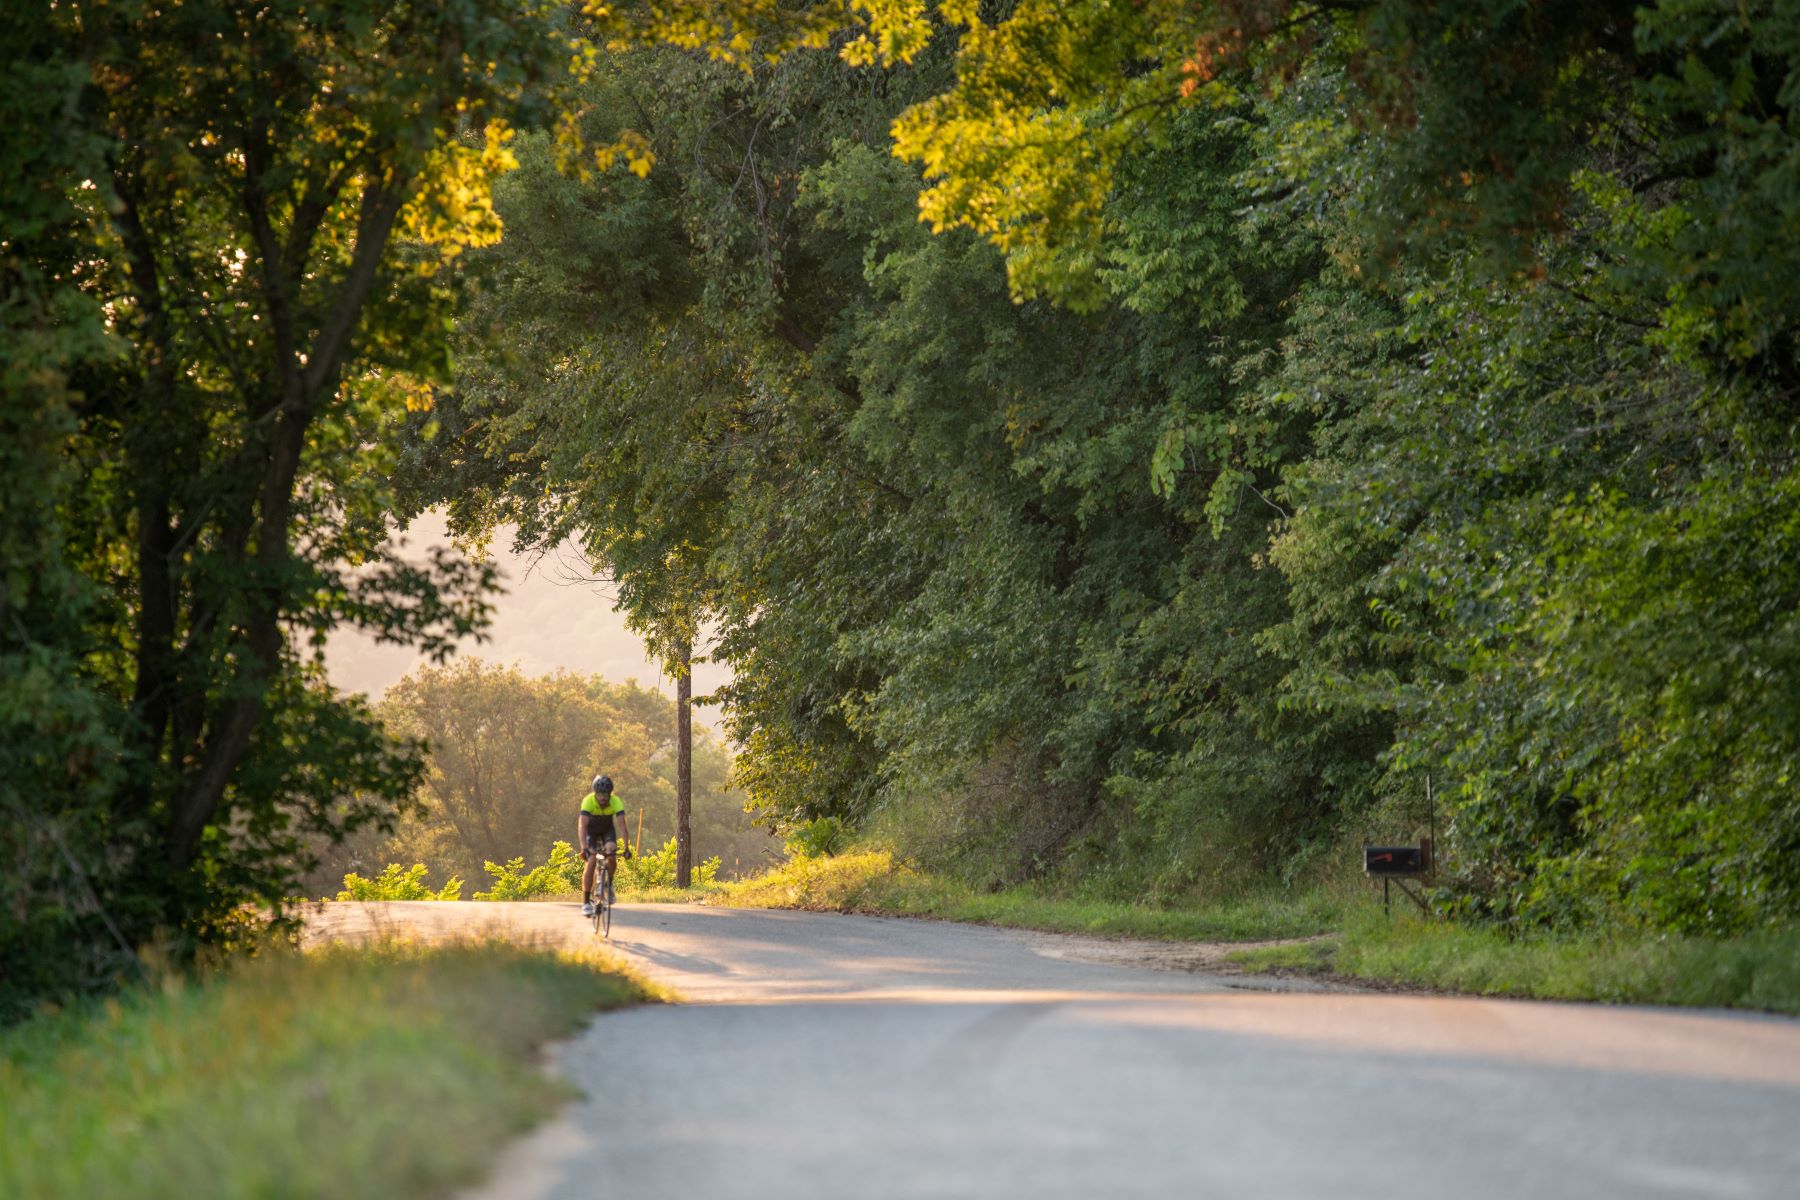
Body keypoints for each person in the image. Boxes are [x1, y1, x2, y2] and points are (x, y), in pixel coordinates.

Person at [578, 774, 630, 916]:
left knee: (612, 853)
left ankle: (608, 885)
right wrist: (584, 848)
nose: (602, 797)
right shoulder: (588, 801)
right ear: (595, 793)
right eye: (600, 794)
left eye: (605, 795)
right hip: (592, 833)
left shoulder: (615, 801)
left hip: (607, 831)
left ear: (610, 794)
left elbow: (622, 826)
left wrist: (626, 848)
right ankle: (586, 901)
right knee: (592, 860)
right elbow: (582, 826)